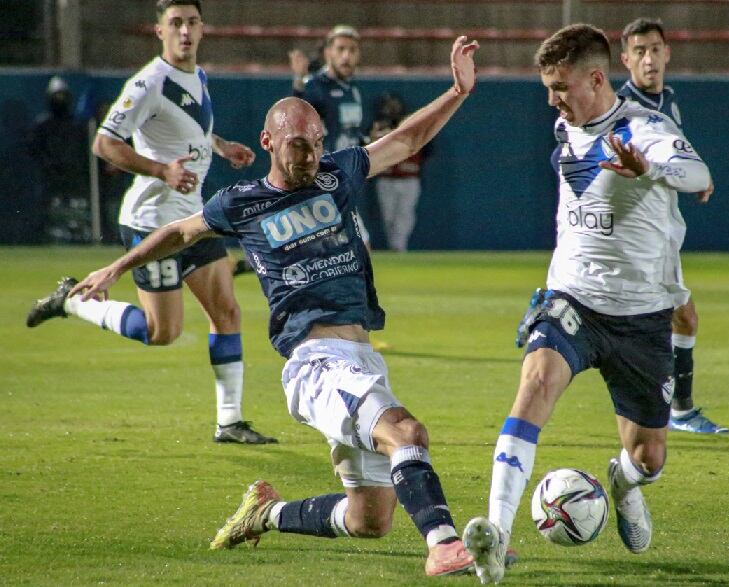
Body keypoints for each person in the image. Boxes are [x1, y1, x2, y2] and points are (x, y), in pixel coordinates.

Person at [67, 36, 481, 578]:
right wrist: (117, 268)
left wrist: (457, 91)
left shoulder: (337, 173)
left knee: (369, 519)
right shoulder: (242, 203)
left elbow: (407, 139)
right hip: (315, 363)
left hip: (359, 359)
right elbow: (178, 232)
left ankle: (265, 514)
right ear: (268, 142)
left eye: (315, 143)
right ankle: (445, 543)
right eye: (297, 146)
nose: (308, 155)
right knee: (406, 432)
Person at [462, 24, 712, 584]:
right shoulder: (566, 122)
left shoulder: (645, 128)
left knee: (649, 458)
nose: (551, 99)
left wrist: (653, 169)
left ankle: (621, 485)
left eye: (559, 86)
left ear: (596, 79)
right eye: (548, 87)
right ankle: (496, 535)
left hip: (642, 314)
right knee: (535, 383)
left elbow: (698, 172)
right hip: (572, 297)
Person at [25, 0, 275, 445]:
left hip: (193, 218)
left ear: (202, 29)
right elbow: (104, 143)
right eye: (175, 23)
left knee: (228, 312)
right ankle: (74, 302)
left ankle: (230, 421)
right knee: (163, 332)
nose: (185, 31)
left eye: (192, 22)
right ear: (159, 31)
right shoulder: (148, 83)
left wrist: (220, 146)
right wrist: (161, 171)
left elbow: (187, 130)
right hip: (151, 221)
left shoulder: (196, 76)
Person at [617, 17, 729, 434]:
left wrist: (697, 175)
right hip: (640, 234)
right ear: (625, 59)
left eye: (655, 49)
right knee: (674, 319)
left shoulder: (669, 101)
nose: (649, 59)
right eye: (640, 51)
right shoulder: (623, 110)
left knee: (678, 319)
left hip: (660, 230)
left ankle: (555, 305)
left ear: (668, 53)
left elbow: (671, 157)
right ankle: (675, 412)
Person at [290, 25, 372, 249]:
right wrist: (298, 84)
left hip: (344, 178)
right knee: (359, 247)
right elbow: (296, 121)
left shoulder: (352, 89)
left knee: (324, 251)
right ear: (328, 53)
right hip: (322, 179)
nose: (347, 55)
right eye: (341, 49)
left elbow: (349, 133)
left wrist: (367, 140)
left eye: (352, 50)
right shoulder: (316, 86)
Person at [27, 76, 92, 243]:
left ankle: (81, 238)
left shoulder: (78, 126)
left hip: (75, 178)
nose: (60, 100)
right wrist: (50, 165)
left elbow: (84, 152)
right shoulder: (41, 125)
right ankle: (43, 239)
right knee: (46, 211)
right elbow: (34, 151)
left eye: (63, 96)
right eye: (56, 96)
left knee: (78, 210)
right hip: (48, 178)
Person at [370, 93, 432, 252]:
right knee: (388, 216)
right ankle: (395, 246)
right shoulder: (378, 127)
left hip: (409, 178)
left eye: (395, 106)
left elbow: (428, 149)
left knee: (404, 215)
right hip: (386, 178)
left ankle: (399, 247)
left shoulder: (413, 126)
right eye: (389, 106)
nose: (392, 109)